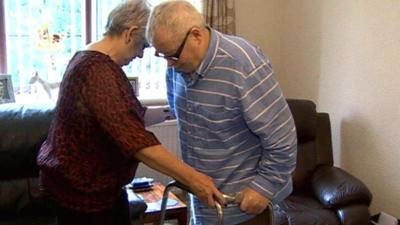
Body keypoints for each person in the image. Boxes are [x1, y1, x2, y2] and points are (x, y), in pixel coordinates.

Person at [36, 1, 224, 225]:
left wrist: (169, 113)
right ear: (130, 33)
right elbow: (138, 143)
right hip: (83, 195)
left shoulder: (85, 56)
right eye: (143, 46)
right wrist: (195, 179)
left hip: (74, 186)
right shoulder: (98, 72)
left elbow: (118, 117)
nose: (142, 56)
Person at [146, 1, 298, 224]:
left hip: (245, 209)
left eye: (172, 55)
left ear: (196, 35)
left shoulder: (244, 64)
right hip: (204, 205)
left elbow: (284, 139)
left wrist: (264, 188)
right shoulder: (177, 67)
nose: (168, 64)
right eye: (162, 56)